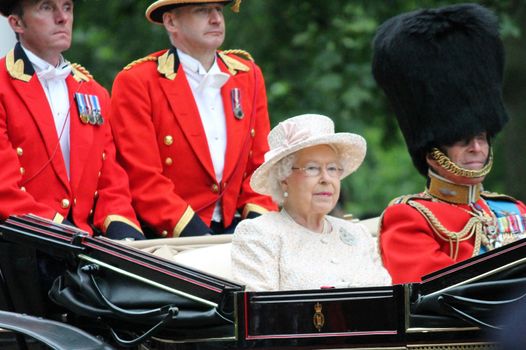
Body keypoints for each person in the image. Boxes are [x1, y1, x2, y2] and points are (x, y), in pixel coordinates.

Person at [372, 3, 526, 284]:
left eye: (481, 137)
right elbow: (438, 298)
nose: (477, 148)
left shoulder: (515, 210)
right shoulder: (409, 218)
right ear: (433, 153)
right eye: (462, 140)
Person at [110, 0, 277, 239]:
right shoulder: (138, 82)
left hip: (240, 230)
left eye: (218, 10)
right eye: (202, 11)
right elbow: (143, 178)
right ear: (171, 21)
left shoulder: (248, 76)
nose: (216, 19)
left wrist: (257, 231)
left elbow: (261, 168)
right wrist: (200, 238)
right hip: (172, 237)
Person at [0, 0, 143, 240]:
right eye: (46, 7)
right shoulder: (3, 86)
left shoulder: (93, 92)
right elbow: (4, 190)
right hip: (19, 245)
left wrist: (127, 237)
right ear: (17, 23)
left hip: (83, 246)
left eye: (67, 7)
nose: (62, 18)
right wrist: (65, 233)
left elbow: (110, 182)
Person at [231, 114, 391, 291]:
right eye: (312, 168)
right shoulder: (259, 234)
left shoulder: (359, 235)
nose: (326, 179)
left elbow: (388, 301)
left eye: (332, 168)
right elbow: (260, 313)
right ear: (284, 178)